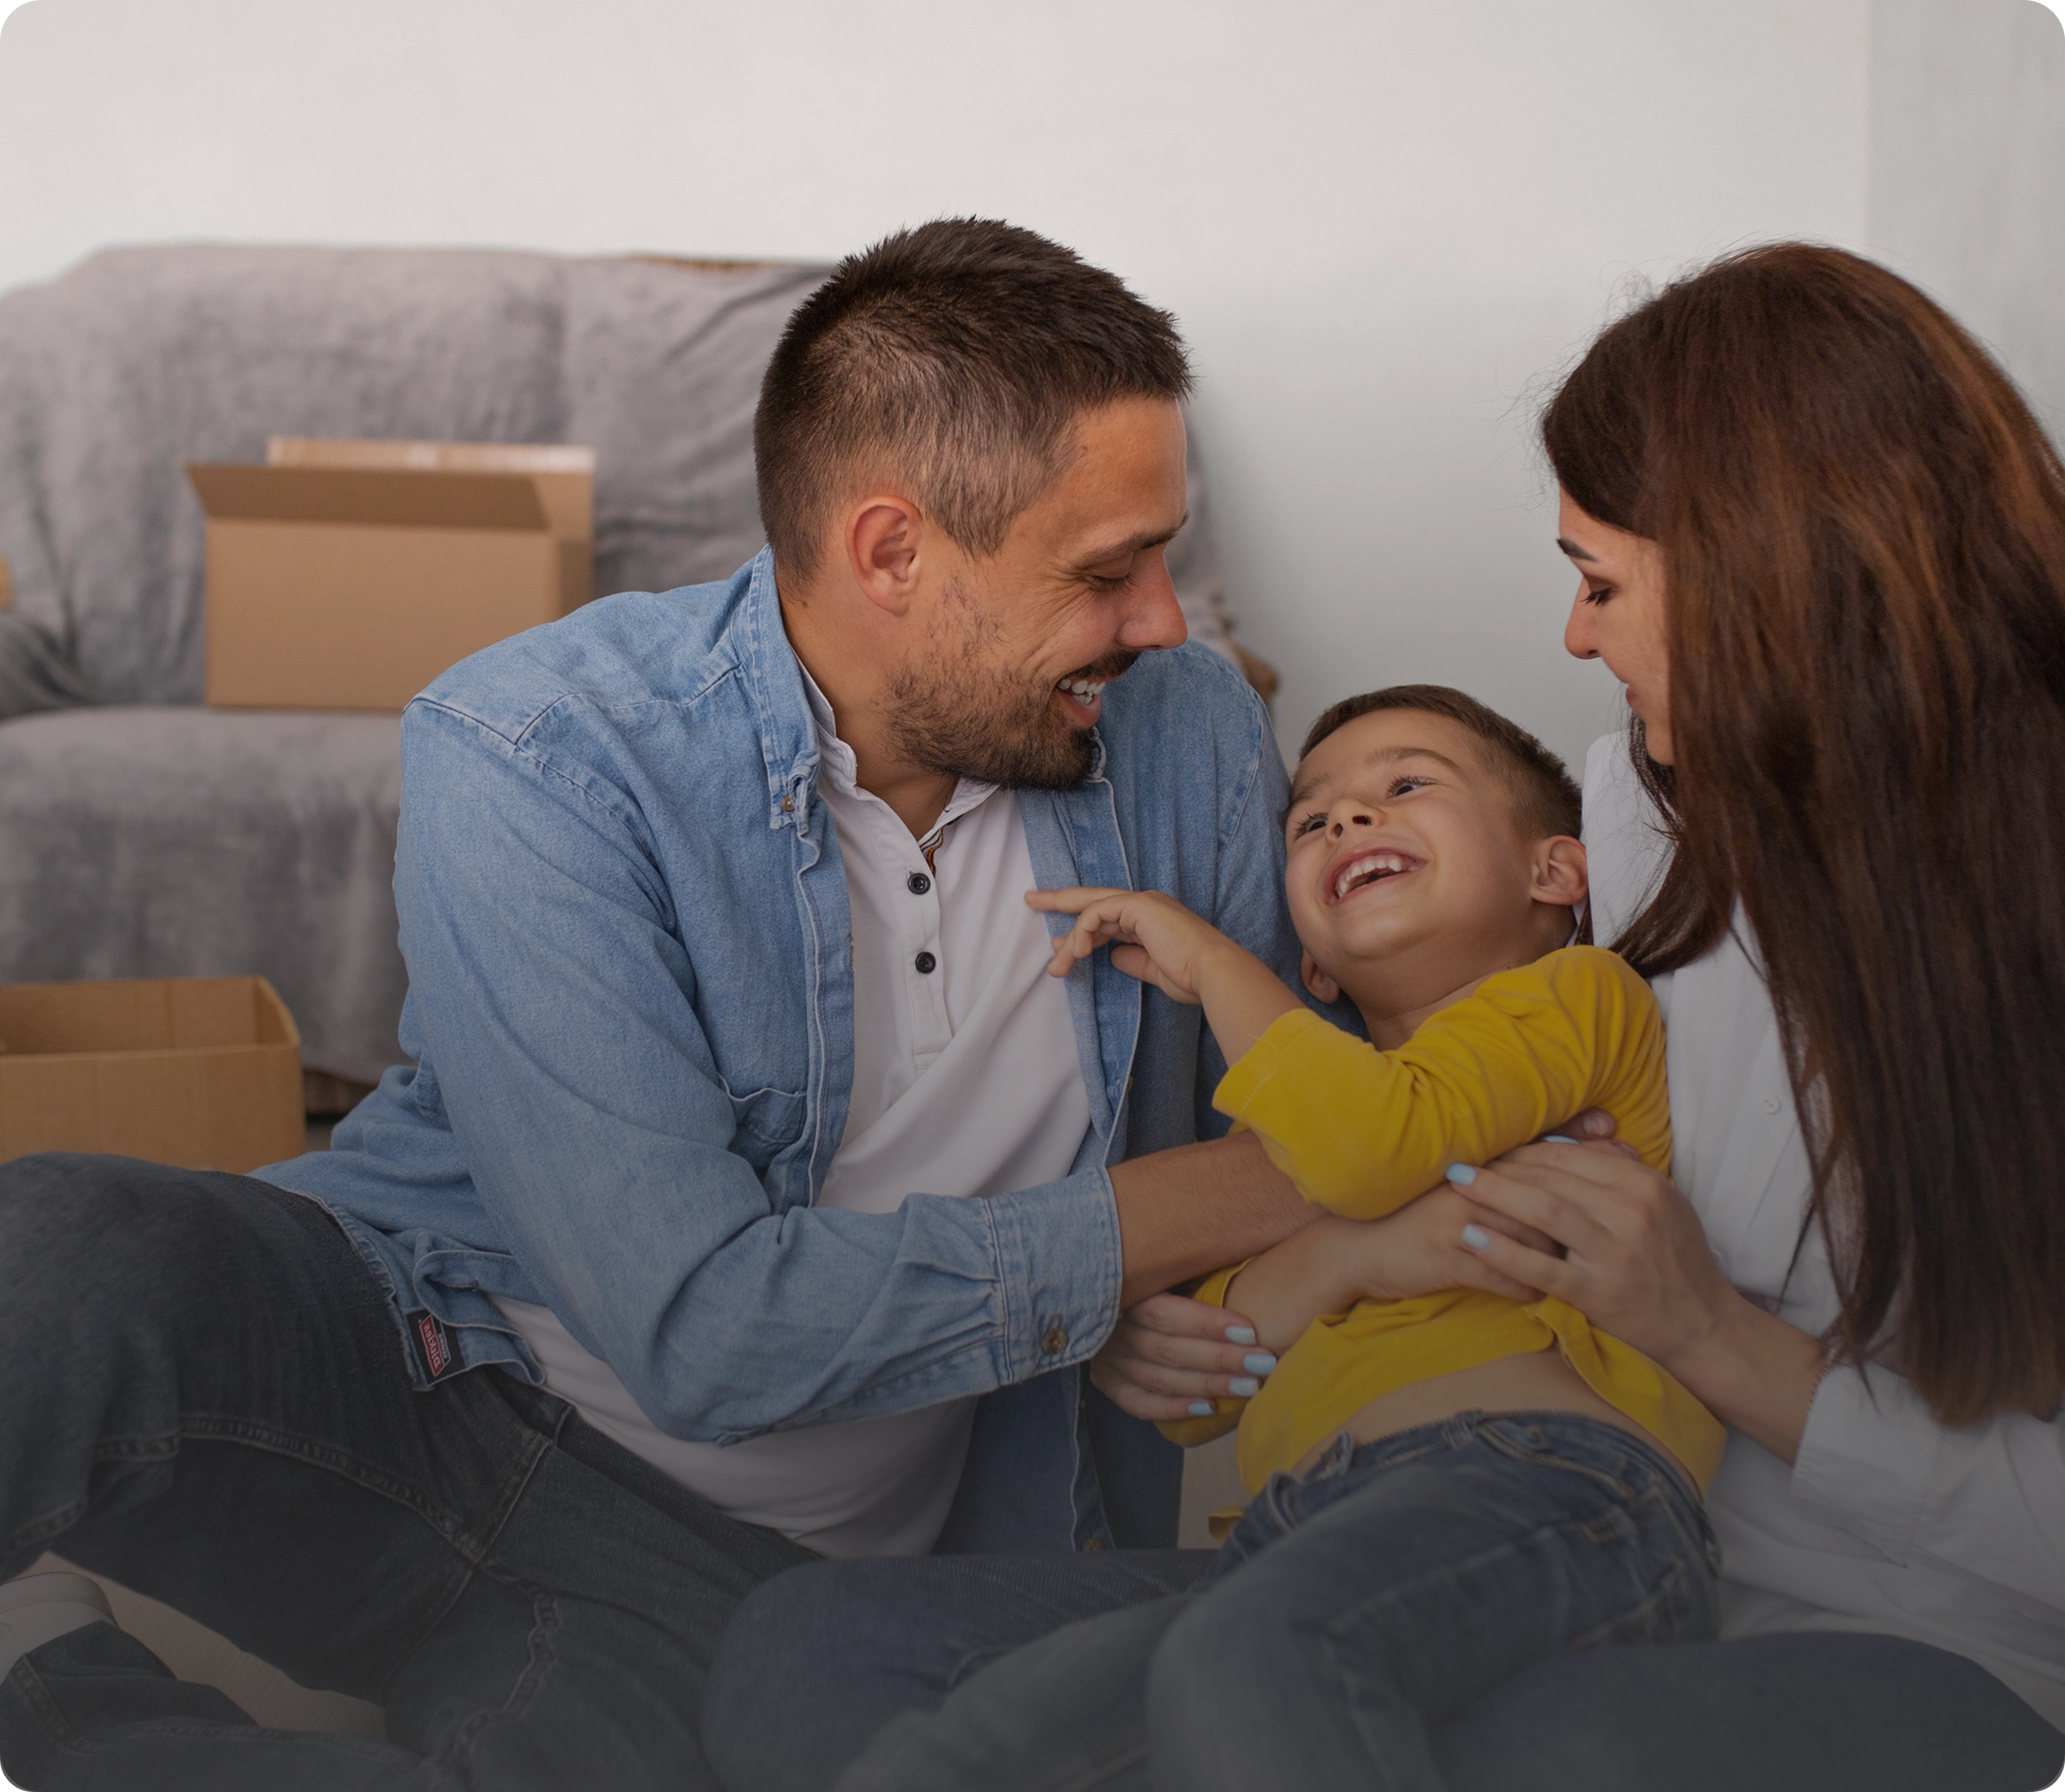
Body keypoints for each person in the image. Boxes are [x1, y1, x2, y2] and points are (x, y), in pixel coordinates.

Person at [0, 219, 1403, 1790]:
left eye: (1162, 554)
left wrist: (1215, 1272)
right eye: (1104, 571)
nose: (1164, 619)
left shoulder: (1181, 728)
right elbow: (702, 1332)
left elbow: (1315, 1099)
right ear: (891, 553)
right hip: (414, 1372)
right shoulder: (543, 749)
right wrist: (1258, 1190)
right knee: (49, 1252)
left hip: (737, 1577)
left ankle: (46, 1688)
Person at [703, 243, 2065, 1792]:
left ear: (1776, 577)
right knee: (815, 1647)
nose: (1572, 642)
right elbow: (1431, 1129)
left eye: (1600, 584)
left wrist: (1714, 1340)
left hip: (1909, 1630)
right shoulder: (1640, 815)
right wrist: (1228, 1293)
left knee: (1489, 1735)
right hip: (1435, 1531)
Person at [819, 682, 1729, 1790]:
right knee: (961, 1742)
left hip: (1550, 1484)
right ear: (1316, 972)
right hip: (1302, 1527)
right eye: (1310, 820)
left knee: (1247, 1655)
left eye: (1406, 784)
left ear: (1555, 873)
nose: (1347, 816)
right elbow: (1196, 1389)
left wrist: (1211, 963)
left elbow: (1374, 1143)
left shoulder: (1574, 993)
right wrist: (1357, 1254)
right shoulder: (1292, 1120)